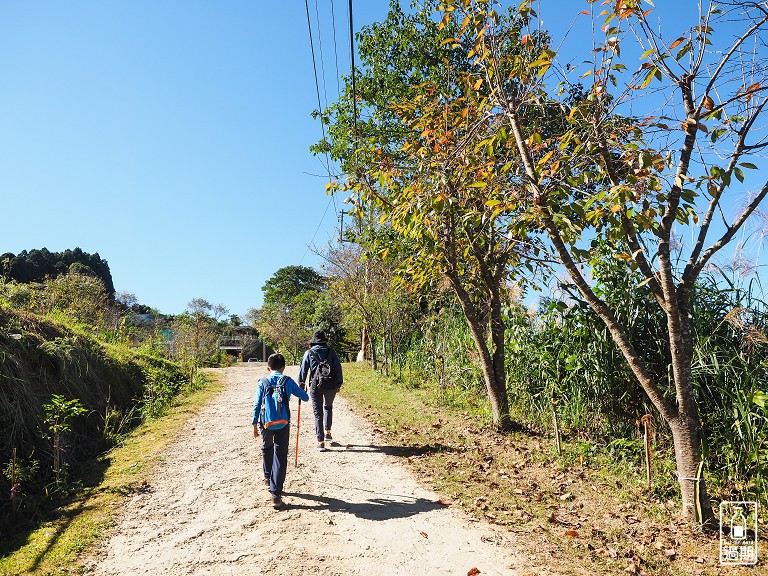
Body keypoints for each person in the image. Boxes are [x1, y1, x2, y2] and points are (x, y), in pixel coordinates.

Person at [252, 353, 308, 509]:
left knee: (267, 447)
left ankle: (266, 477)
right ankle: (276, 495)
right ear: (283, 367)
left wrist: (254, 424)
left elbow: (257, 404)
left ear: (268, 368)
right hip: (283, 423)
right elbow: (305, 398)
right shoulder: (288, 381)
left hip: (266, 423)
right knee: (280, 455)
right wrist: (302, 388)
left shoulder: (262, 382)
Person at [298, 330, 343, 451]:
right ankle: (328, 432)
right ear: (324, 341)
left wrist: (301, 384)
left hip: (315, 385)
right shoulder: (331, 352)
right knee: (328, 406)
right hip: (331, 384)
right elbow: (338, 367)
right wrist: (339, 383)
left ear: (313, 342)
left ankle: (320, 441)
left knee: (318, 412)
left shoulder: (309, 353)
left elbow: (303, 370)